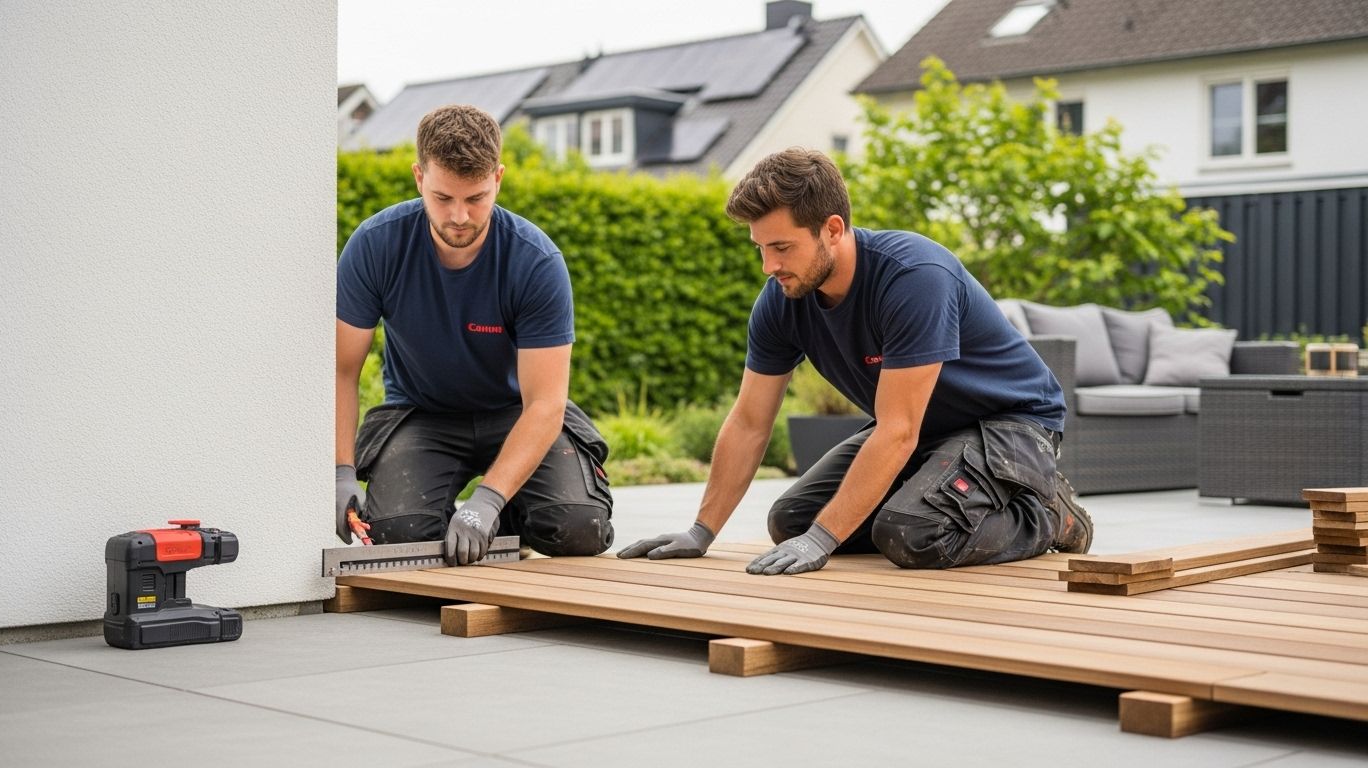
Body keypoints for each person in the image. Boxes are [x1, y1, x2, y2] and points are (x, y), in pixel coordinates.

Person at [619, 148, 1091, 575]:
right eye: (760, 248)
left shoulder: (913, 278)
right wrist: (701, 532)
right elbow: (748, 422)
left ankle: (1050, 513)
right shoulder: (782, 299)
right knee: (792, 522)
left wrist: (823, 542)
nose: (769, 266)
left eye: (782, 247)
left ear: (833, 229)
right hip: (926, 430)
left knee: (912, 532)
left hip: (1010, 425)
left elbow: (897, 430)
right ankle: (945, 500)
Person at [335, 104, 613, 566]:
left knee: (578, 527)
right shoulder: (376, 245)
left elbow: (546, 403)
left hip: (515, 414)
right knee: (400, 536)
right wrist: (342, 472)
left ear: (498, 179)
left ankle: (495, 516)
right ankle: (455, 516)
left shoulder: (535, 262)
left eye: (476, 198)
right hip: (422, 415)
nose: (460, 216)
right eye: (443, 198)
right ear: (419, 177)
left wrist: (487, 502)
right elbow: (342, 370)